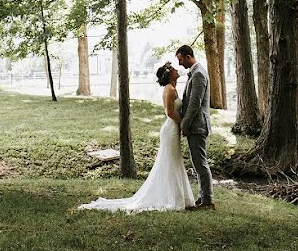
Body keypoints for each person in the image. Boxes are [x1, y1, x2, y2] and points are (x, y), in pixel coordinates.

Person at [78, 61, 194, 212]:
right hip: (170, 130)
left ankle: (179, 196)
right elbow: (170, 113)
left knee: (175, 161)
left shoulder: (173, 88)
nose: (176, 69)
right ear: (168, 74)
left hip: (174, 130)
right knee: (170, 161)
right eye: (172, 69)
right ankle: (172, 197)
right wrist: (184, 125)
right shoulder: (169, 89)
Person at [175, 44, 214, 210]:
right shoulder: (195, 73)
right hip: (196, 125)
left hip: (198, 125)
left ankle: (207, 201)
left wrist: (185, 123)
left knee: (200, 163)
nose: (180, 64)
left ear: (188, 56)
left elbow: (195, 103)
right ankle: (202, 197)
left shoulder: (198, 74)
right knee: (198, 162)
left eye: (181, 59)